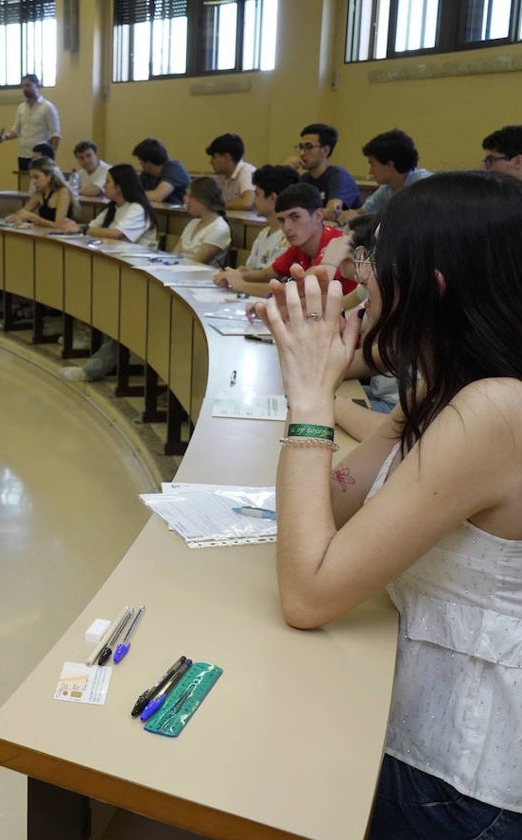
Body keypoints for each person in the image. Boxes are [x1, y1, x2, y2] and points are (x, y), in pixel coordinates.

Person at [251, 170, 522, 839]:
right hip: (410, 723)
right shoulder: (447, 389)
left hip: (457, 783)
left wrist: (312, 403)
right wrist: (314, 390)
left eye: (373, 265)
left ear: (430, 289)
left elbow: (308, 592)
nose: (358, 284)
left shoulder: (494, 410)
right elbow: (336, 509)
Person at [61, 165, 160, 383]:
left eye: (108, 182)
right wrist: (80, 227)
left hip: (139, 277)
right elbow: (91, 227)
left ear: (120, 186)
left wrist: (81, 228)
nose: (104, 185)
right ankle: (85, 337)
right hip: (115, 273)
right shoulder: (113, 208)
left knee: (121, 320)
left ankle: (92, 369)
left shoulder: (137, 209)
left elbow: (115, 234)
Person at [225, 183, 358, 297]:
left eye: (295, 217)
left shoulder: (335, 243)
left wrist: (240, 285)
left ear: (318, 216)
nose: (287, 228)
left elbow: (298, 290)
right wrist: (237, 274)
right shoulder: (299, 247)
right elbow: (266, 274)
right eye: (282, 220)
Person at [213, 164, 296, 295]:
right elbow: (251, 269)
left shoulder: (289, 237)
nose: (254, 201)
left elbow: (270, 279)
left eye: (257, 194)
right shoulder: (264, 233)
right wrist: (236, 273)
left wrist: (239, 278)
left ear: (272, 198)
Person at [340, 129, 432, 222]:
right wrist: (353, 214)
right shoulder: (388, 188)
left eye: (372, 164)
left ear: (389, 165)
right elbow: (363, 212)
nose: (370, 171)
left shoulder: (425, 187)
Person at [287, 123, 362, 218]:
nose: (302, 153)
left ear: (325, 151)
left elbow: (333, 212)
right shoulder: (304, 179)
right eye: (301, 147)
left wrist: (299, 215)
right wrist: (287, 173)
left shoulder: (339, 176)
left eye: (309, 147)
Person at [0, 74, 61, 171]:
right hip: (23, 155)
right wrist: (3, 137)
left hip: (40, 157)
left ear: (36, 86)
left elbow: (55, 135)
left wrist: (50, 158)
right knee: (24, 185)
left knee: (40, 185)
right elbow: (16, 131)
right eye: (23, 86)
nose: (25, 89)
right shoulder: (21, 107)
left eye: (28, 85)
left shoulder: (47, 107)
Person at [172, 178, 231, 268]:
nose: (186, 201)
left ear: (203, 199)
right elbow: (174, 255)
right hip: (179, 272)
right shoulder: (193, 223)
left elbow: (195, 264)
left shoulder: (219, 229)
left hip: (198, 278)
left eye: (190, 196)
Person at [4, 156, 77, 228]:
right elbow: (22, 212)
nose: (33, 182)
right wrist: (2, 221)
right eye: (32, 178)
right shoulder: (39, 193)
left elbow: (58, 225)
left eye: (36, 177)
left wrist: (33, 218)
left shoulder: (63, 192)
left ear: (49, 177)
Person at [206, 133, 256, 211]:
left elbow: (247, 203)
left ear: (226, 157)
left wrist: (213, 205)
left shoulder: (247, 171)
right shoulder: (221, 176)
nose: (211, 162)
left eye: (214, 157)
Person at [133, 137, 191, 204]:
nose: (140, 164)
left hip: (180, 213)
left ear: (148, 162)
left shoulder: (174, 168)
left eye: (140, 160)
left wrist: (133, 194)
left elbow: (157, 196)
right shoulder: (146, 174)